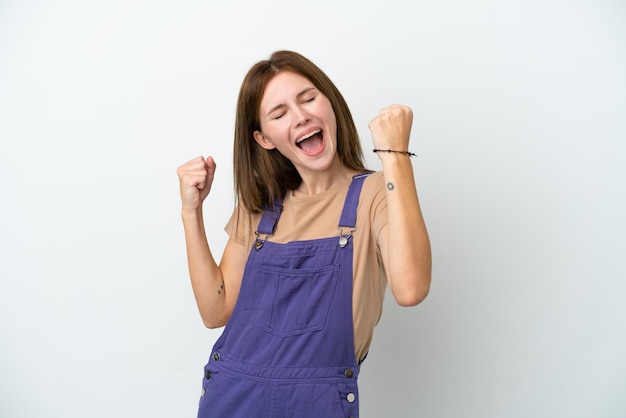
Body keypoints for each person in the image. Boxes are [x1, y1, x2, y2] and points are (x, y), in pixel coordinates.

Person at [177, 50, 431, 418]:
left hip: (318, 403)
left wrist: (395, 156)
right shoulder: (260, 204)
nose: (301, 116)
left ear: (330, 102)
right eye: (279, 114)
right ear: (264, 139)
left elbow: (411, 289)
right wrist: (191, 212)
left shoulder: (376, 193)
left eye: (309, 98)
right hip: (232, 397)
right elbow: (216, 311)